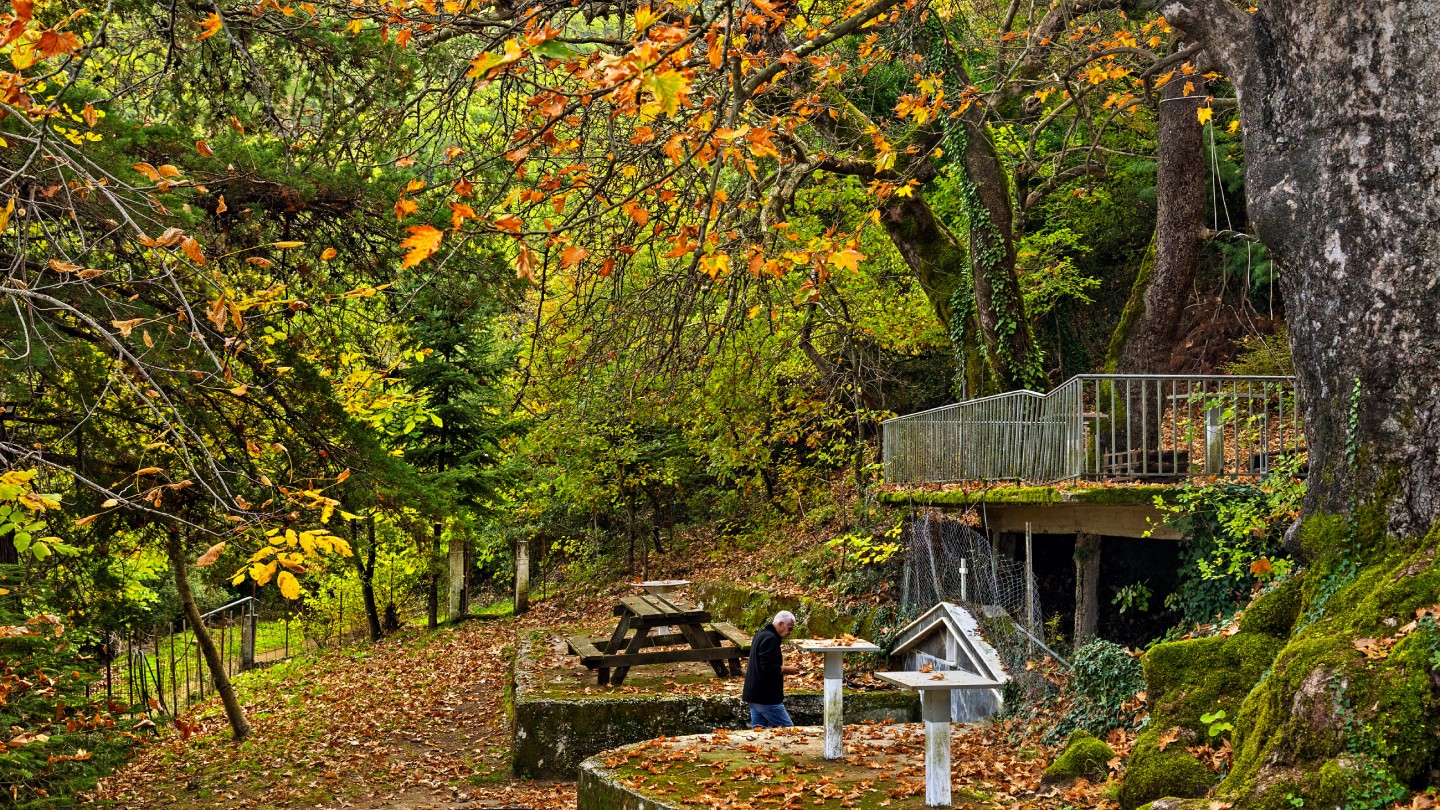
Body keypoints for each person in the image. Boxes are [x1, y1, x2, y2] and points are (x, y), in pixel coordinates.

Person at [742, 610, 800, 728]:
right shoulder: (770, 639)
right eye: (789, 628)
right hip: (766, 697)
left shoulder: (761, 634)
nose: (790, 632)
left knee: (759, 731)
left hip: (754, 694)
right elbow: (767, 667)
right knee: (789, 730)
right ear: (780, 624)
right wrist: (787, 669)